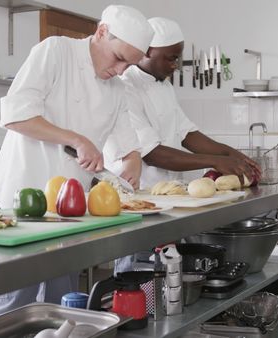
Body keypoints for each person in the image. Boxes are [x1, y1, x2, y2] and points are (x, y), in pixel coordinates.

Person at [0, 5, 154, 319]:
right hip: (22, 201)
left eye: (128, 65)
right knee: (13, 304)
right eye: (118, 58)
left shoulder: (116, 88)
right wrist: (75, 139)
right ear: (102, 32)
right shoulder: (55, 52)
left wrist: (133, 162)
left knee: (62, 304)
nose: (120, 71)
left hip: (69, 211)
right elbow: (15, 116)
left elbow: (127, 142)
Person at [105, 17, 260, 273]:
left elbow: (188, 134)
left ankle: (166, 307)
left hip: (167, 199)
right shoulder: (125, 86)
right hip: (138, 198)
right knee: (136, 270)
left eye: (178, 58)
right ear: (147, 51)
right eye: (170, 58)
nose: (176, 65)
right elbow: (152, 154)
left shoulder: (163, 85)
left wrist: (233, 155)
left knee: (167, 270)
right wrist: (215, 161)